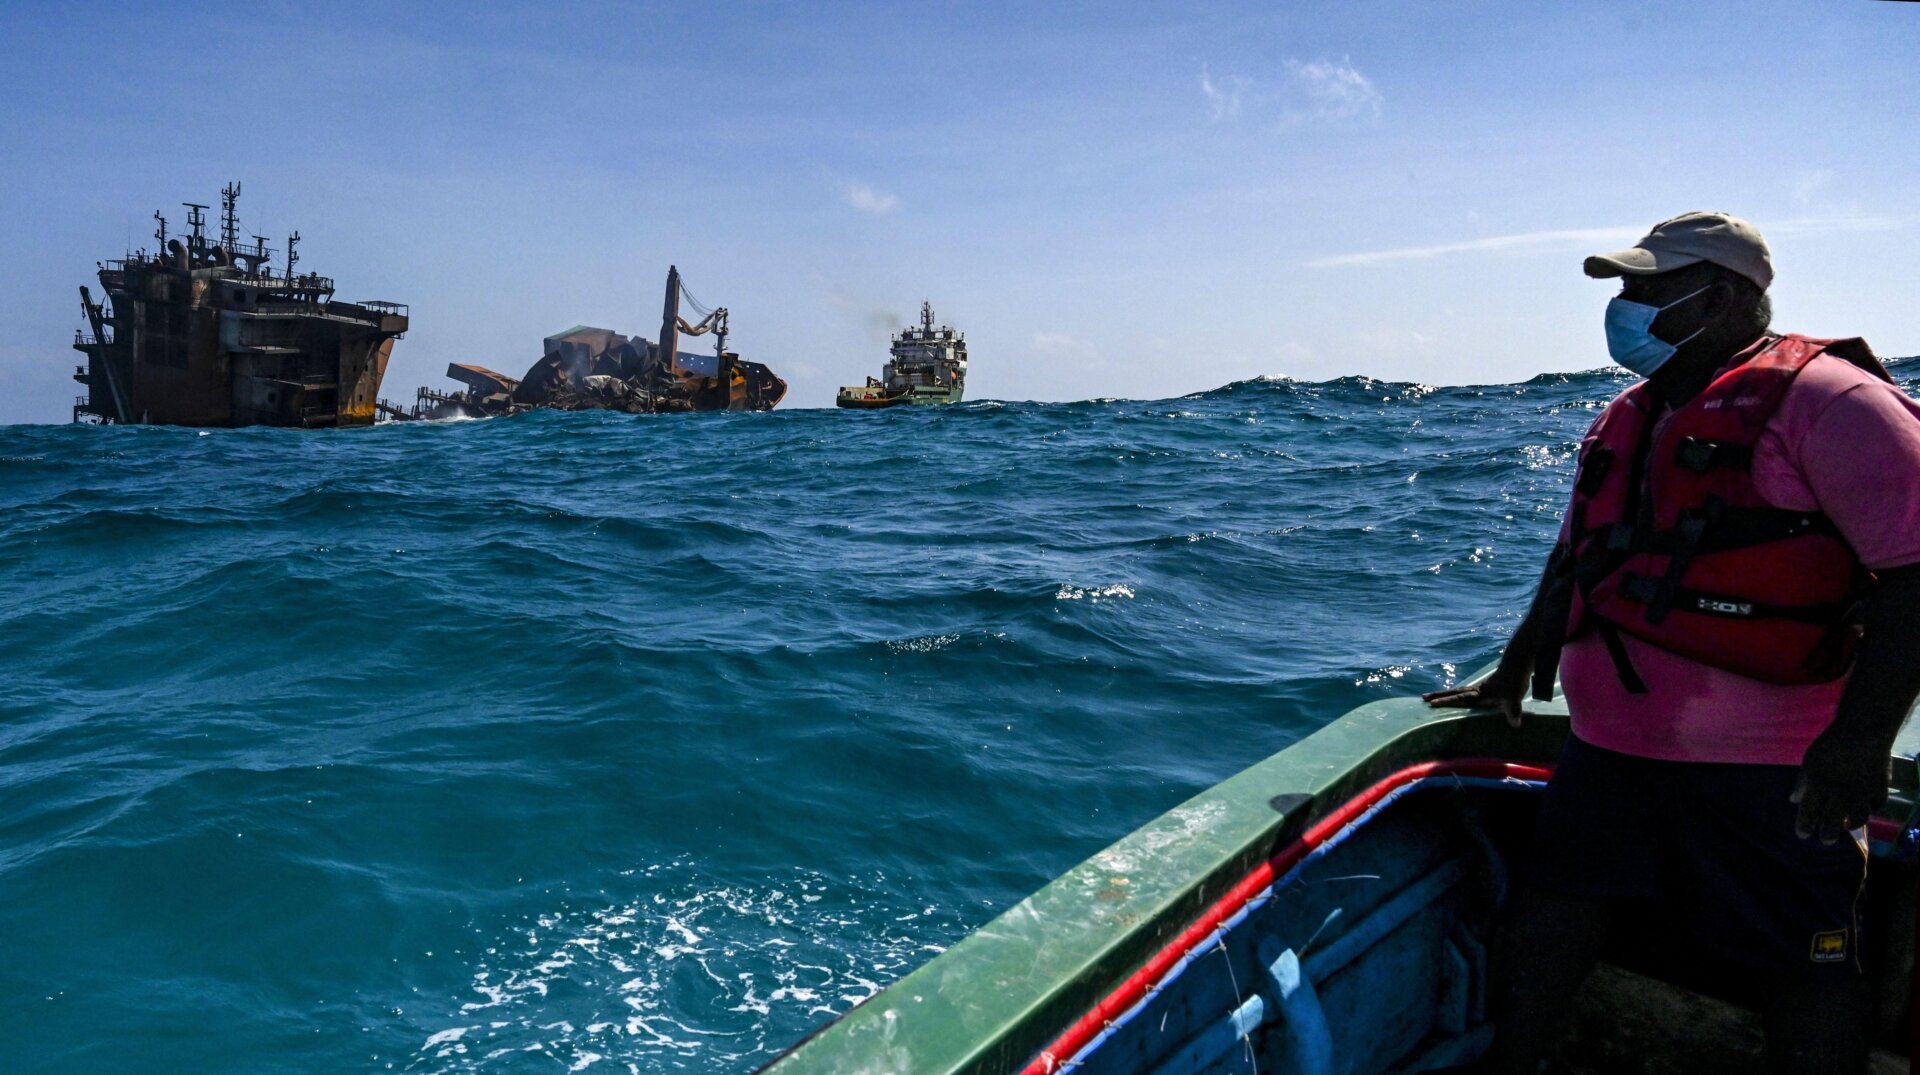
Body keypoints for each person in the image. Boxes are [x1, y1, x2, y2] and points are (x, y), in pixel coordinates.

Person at [1424, 211, 1920, 1073]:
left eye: (1647, 290)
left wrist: (1860, 742)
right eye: (1624, 289)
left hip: (1778, 768)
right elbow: (1583, 551)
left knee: (1807, 964)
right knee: (1555, 917)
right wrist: (1511, 671)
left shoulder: (1833, 402)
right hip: (1609, 749)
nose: (1625, 307)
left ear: (1724, 296)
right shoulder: (1629, 411)